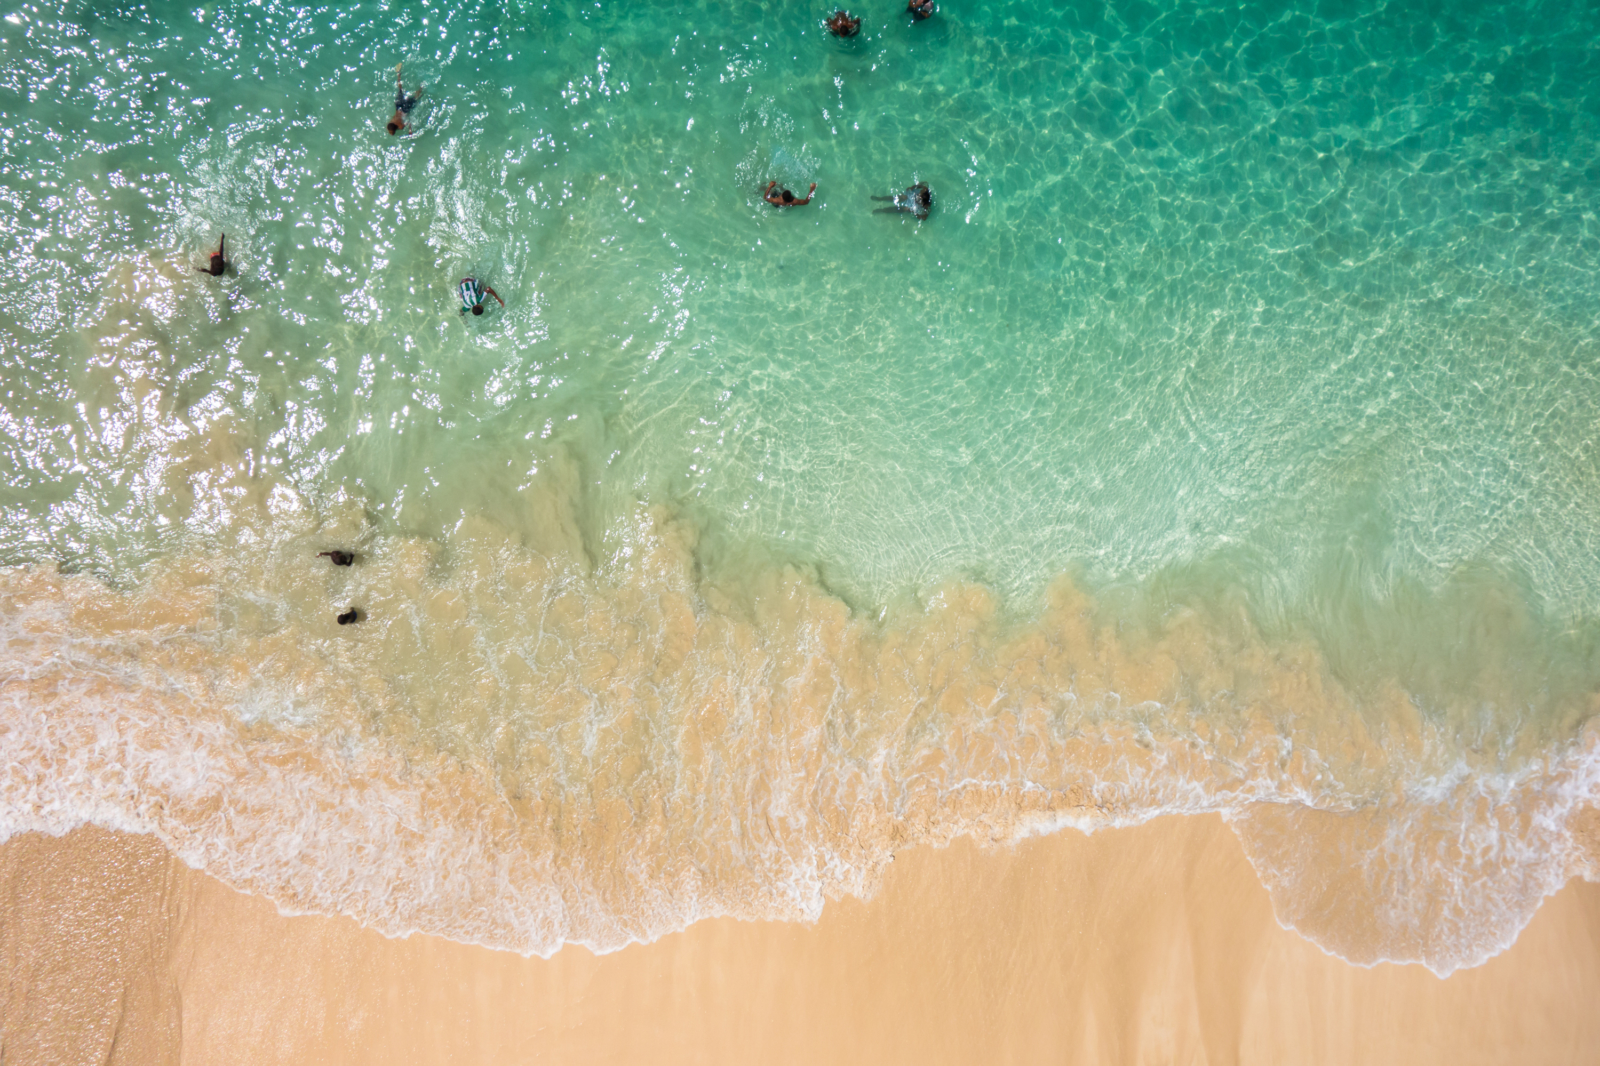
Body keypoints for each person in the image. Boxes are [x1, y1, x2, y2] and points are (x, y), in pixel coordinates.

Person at [387, 63, 423, 135]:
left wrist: (410, 130)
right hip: (398, 105)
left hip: (405, 110)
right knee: (400, 88)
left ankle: (422, 87)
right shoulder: (390, 123)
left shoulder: (400, 127)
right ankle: (398, 73)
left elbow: (408, 121)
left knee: (417, 97)